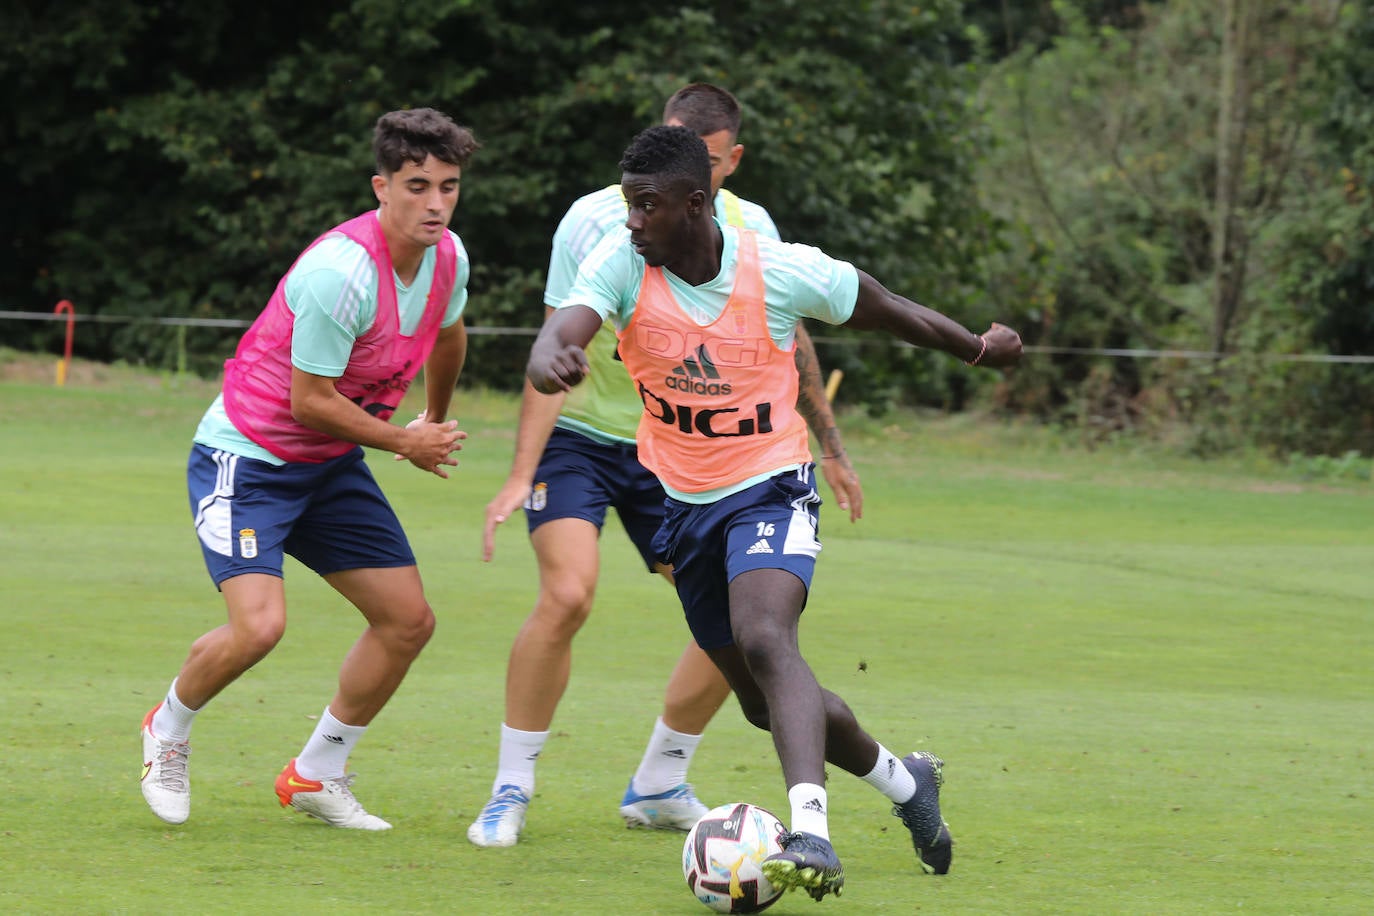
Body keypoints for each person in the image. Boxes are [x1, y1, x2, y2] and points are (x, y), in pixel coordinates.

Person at [526, 124, 1022, 899]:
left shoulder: (781, 271)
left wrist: (978, 350)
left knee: (766, 636)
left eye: (646, 207)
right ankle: (906, 782)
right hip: (682, 506)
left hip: (770, 486)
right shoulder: (622, 263)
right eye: (629, 205)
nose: (631, 221)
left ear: (696, 203)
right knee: (764, 703)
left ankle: (811, 833)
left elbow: (887, 309)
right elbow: (562, 327)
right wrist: (549, 354)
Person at [468, 84, 863, 848]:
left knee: (732, 610)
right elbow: (554, 343)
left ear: (728, 162)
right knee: (570, 593)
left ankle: (659, 778)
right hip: (581, 436)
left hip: (692, 454)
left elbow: (792, 341)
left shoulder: (752, 229)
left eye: (708, 167)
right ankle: (509, 788)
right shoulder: (596, 221)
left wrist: (832, 449)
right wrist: (521, 472)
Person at [138, 108, 480, 830]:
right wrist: (402, 444)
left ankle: (316, 774)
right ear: (381, 187)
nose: (436, 203)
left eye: (448, 186)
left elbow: (448, 336)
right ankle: (166, 729)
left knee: (406, 621)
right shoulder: (340, 272)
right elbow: (311, 401)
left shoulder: (449, 256)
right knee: (259, 628)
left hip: (327, 465)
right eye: (418, 185)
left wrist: (431, 420)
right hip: (248, 459)